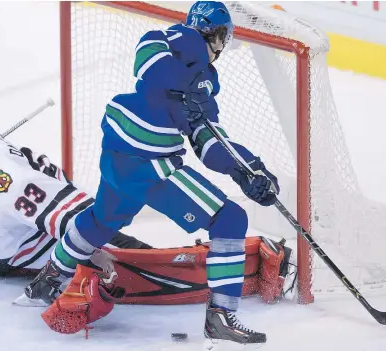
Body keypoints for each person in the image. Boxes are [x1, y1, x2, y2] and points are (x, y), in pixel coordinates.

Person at [24, 1, 281, 346]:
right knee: (230, 218)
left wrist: (248, 171)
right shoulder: (176, 40)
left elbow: (208, 141)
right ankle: (220, 316)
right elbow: (149, 63)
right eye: (222, 38)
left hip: (120, 156)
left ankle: (51, 276)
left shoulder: (205, 82)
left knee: (102, 220)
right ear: (217, 35)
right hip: (148, 163)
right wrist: (187, 82)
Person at [0, 110, 295, 332]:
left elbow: (67, 217)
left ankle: (216, 267)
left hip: (40, 243)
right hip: (10, 241)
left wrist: (102, 253)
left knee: (128, 259)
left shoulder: (2, 182)